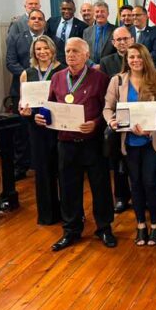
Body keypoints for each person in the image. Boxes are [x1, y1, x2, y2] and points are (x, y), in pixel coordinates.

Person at [35, 38, 116, 251]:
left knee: (100, 187)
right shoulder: (57, 77)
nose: (71, 55)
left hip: (92, 142)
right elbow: (48, 105)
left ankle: (104, 227)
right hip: (66, 143)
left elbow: (109, 109)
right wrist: (40, 117)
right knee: (69, 187)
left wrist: (96, 124)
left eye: (76, 51)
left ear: (86, 55)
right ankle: (71, 229)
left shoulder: (100, 78)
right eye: (68, 51)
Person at [103, 43, 156, 246]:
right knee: (136, 184)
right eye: (131, 57)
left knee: (150, 182)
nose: (135, 60)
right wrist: (111, 121)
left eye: (139, 57)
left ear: (146, 59)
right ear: (127, 59)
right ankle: (141, 224)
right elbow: (108, 107)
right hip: (129, 142)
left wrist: (154, 127)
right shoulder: (117, 81)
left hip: (150, 141)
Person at [18, 35, 65, 225]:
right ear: (34, 52)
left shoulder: (62, 71)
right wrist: (25, 112)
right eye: (38, 49)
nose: (42, 52)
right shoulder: (26, 74)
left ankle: (69, 211)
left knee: (63, 170)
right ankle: (48, 215)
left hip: (58, 126)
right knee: (43, 172)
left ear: (52, 50)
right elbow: (22, 104)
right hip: (36, 128)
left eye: (45, 48)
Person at [6, 9, 47, 180]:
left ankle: (43, 166)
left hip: (47, 92)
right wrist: (30, 75)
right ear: (28, 21)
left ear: (44, 22)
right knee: (22, 132)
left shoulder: (51, 40)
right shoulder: (16, 38)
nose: (36, 21)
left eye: (40, 18)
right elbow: (10, 63)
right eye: (33, 18)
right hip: (22, 89)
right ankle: (21, 166)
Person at [99, 26, 135, 214]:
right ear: (113, 43)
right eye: (118, 40)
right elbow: (107, 93)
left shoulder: (142, 57)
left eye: (125, 39)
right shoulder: (106, 62)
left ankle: (139, 196)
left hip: (139, 116)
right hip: (118, 117)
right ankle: (121, 197)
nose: (122, 42)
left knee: (137, 161)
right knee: (119, 162)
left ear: (132, 39)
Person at [46, 0, 88, 64]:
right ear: (60, 9)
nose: (66, 11)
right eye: (64, 9)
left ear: (74, 10)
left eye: (69, 9)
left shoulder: (82, 26)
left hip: (72, 61)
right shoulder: (51, 22)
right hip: (52, 61)